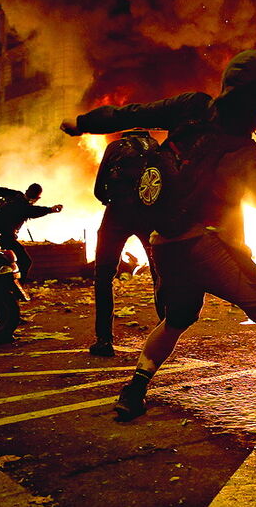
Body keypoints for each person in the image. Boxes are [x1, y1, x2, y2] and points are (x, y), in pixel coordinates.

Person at [60, 49, 256, 435]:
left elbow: (132, 113)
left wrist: (82, 123)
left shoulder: (191, 106)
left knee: (177, 318)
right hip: (205, 246)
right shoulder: (242, 152)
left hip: (164, 245)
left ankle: (135, 387)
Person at [89, 129, 161, 357]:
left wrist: (110, 201)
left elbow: (99, 188)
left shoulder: (115, 147)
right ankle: (165, 333)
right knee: (160, 274)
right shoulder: (156, 147)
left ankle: (104, 340)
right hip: (148, 216)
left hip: (116, 214)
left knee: (103, 276)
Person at [0, 183, 63, 282]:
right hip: (4, 237)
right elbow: (36, 211)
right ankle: (18, 286)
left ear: (26, 191)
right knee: (25, 262)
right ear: (37, 198)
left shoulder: (14, 194)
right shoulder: (24, 207)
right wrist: (51, 209)